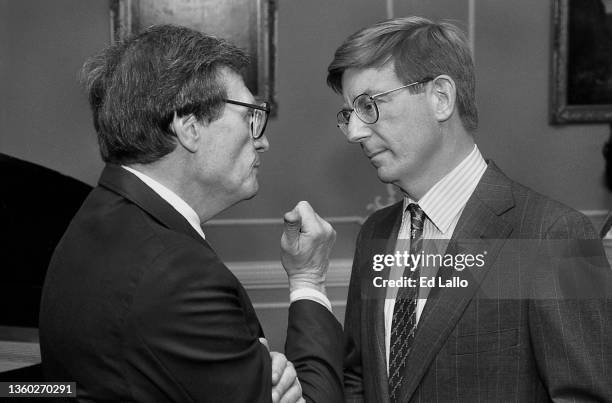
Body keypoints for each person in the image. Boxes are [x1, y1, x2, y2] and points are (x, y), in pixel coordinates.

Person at [39, 25, 343, 403]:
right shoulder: (177, 276)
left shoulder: (99, 216)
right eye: (251, 115)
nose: (263, 140)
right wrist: (308, 280)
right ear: (189, 127)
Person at [327, 16, 612, 402]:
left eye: (368, 105)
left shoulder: (556, 234)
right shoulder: (376, 232)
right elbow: (360, 376)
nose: (355, 132)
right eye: (348, 114)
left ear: (441, 98)